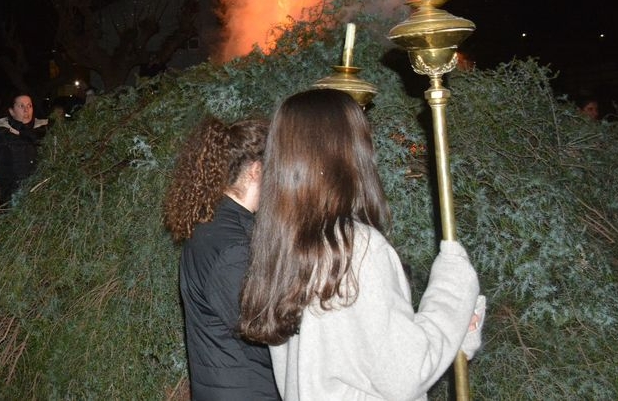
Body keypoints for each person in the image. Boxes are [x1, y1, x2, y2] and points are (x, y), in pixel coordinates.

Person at [238, 89, 486, 401]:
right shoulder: (355, 249)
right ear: (349, 154)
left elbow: (362, 360)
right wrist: (453, 287)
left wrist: (454, 333)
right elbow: (405, 373)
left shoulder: (284, 246)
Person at [162, 117, 277, 400]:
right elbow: (261, 336)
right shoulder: (231, 246)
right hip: (246, 390)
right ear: (256, 170)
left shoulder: (214, 222)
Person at [0, 94, 48, 204]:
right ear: (11, 111)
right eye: (21, 106)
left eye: (29, 106)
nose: (26, 110)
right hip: (12, 196)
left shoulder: (44, 132)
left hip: (41, 195)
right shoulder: (1, 134)